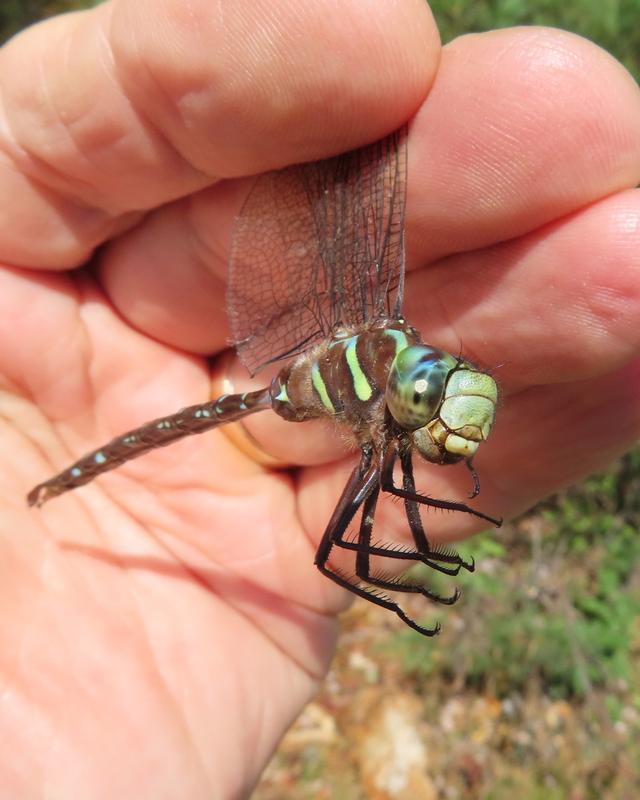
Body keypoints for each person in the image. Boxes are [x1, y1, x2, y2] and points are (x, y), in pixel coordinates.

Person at [1, 0, 639, 795]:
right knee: (354, 536)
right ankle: (64, 480)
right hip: (285, 382)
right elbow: (346, 547)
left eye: (443, 390)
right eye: (438, 393)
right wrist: (409, 592)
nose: (445, 405)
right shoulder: (386, 418)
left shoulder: (398, 388)